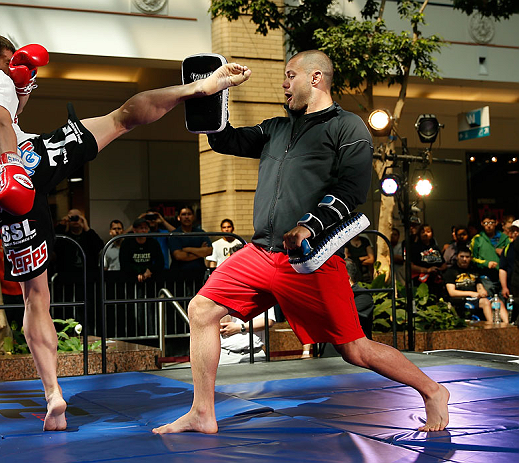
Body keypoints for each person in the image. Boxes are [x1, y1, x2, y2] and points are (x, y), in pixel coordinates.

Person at [0, 31, 250, 431]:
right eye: (11, 64)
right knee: (121, 118)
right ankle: (200, 86)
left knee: (35, 297)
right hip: (25, 164)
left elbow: (2, 120)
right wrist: (13, 164)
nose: (13, 71)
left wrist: (24, 87)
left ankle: (53, 395)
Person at [153, 50, 449, 435]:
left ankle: (432, 390)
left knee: (354, 349)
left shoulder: (348, 127)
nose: (283, 83)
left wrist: (310, 226)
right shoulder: (276, 128)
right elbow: (223, 140)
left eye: (290, 75)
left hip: (309, 259)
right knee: (201, 310)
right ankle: (202, 413)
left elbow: (353, 189)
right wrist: (216, 89)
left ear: (315, 79)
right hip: (260, 253)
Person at [444, 247, 507, 322]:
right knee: (485, 302)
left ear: (470, 258)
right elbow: (452, 292)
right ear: (457, 257)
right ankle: (491, 327)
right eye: (462, 256)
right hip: (462, 299)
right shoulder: (451, 271)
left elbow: (478, 284)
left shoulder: (473, 269)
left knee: (498, 302)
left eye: (467, 257)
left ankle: (508, 326)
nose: (464, 259)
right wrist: (471, 293)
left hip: (476, 298)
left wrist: (482, 290)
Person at [168, 206, 212, 283]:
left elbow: (209, 251)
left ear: (193, 217)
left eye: (189, 214)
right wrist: (200, 252)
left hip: (198, 275)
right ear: (179, 217)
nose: (187, 217)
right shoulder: (175, 234)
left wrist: (187, 249)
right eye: (184, 214)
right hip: (179, 276)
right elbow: (178, 256)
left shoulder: (200, 233)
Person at [471, 215, 510, 295]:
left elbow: (512, 256)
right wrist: (486, 263)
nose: (488, 225)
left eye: (491, 222)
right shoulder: (477, 239)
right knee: (490, 301)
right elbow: (472, 258)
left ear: (496, 223)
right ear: (482, 224)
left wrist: (503, 252)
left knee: (504, 301)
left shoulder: (505, 238)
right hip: (486, 277)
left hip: (503, 276)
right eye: (485, 223)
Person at [119, 218, 164, 284]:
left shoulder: (153, 243)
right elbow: (124, 264)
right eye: (141, 228)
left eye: (146, 228)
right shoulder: (126, 243)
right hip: (130, 279)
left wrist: (149, 270)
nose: (144, 230)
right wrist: (139, 272)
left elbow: (160, 262)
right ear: (134, 230)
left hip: (150, 278)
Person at [500, 220, 519, 322]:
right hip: (513, 285)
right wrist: (504, 287)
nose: (516, 233)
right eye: (514, 230)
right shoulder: (508, 248)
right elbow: (503, 268)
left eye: (518, 230)